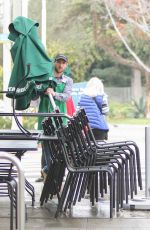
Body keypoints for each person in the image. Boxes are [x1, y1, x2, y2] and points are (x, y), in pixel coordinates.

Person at [36, 54, 73, 182]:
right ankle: (46, 171)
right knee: (46, 143)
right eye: (59, 62)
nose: (60, 65)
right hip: (45, 115)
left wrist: (54, 93)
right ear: (54, 62)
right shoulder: (46, 78)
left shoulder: (68, 80)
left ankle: (50, 170)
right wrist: (42, 90)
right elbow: (36, 93)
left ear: (66, 65)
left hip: (60, 117)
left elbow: (66, 96)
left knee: (59, 144)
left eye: (63, 63)